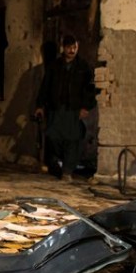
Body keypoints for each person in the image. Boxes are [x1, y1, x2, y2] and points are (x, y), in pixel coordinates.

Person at [34, 34, 96, 181]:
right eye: (69, 47)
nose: (72, 50)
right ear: (63, 48)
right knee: (53, 136)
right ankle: (59, 164)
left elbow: (90, 88)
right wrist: (40, 106)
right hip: (57, 108)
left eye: (74, 47)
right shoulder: (54, 66)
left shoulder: (83, 67)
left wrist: (86, 107)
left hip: (74, 109)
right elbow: (45, 87)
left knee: (72, 139)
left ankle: (67, 171)